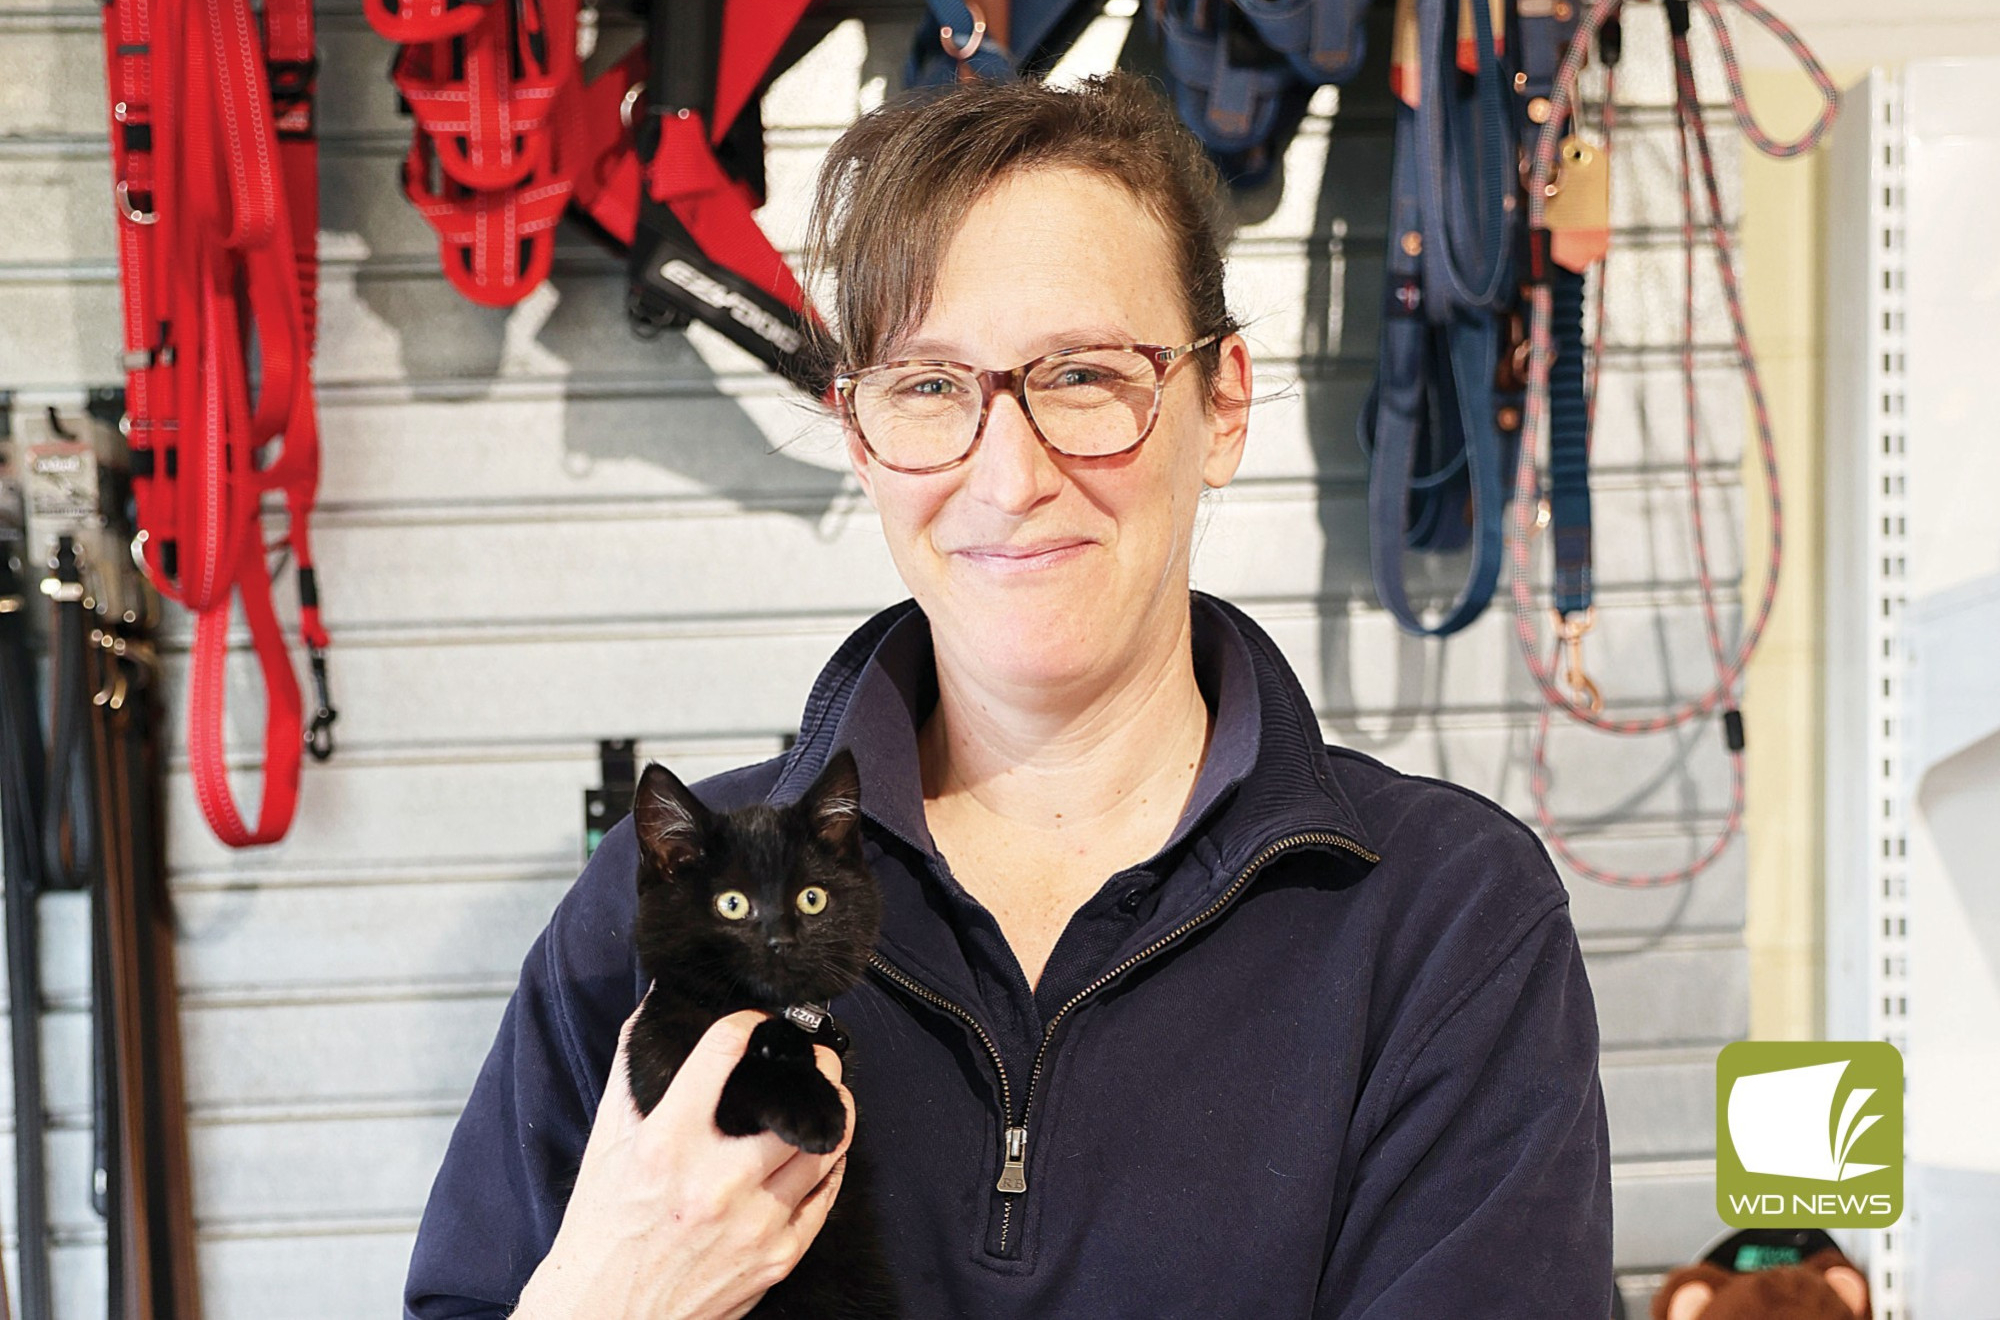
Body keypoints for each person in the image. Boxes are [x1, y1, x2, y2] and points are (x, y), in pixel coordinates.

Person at [404, 72, 1614, 1319]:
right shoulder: (649, 905)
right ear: (859, 432)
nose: (1008, 475)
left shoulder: (1443, 916)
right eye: (929, 386)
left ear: (1223, 404)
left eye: (1085, 375)